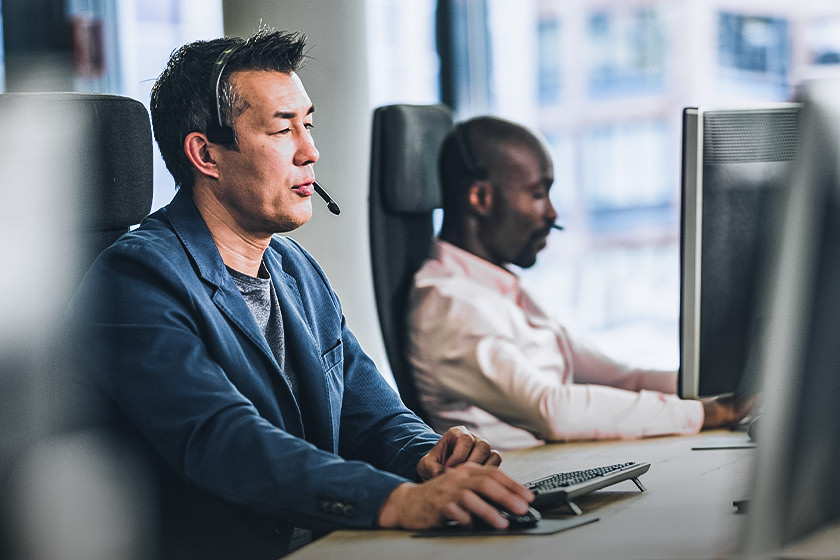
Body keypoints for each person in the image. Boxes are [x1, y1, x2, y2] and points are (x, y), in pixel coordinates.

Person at [65, 30, 533, 559]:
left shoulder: (294, 269)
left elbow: (372, 415)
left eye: (307, 125)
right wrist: (395, 500)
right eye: (281, 129)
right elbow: (225, 442)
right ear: (206, 155)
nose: (310, 151)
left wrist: (427, 455)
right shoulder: (133, 280)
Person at [406, 115, 753, 450]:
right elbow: (552, 408)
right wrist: (710, 413)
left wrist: (722, 388)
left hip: (557, 461)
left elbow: (624, 379)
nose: (552, 213)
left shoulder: (502, 289)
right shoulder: (448, 304)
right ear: (481, 198)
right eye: (538, 193)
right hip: (519, 483)